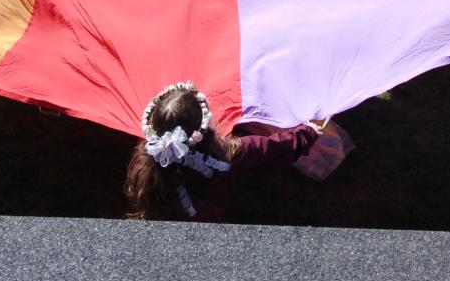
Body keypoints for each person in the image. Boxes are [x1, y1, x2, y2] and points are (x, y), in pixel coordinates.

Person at [124, 81, 321, 221]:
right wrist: (307, 133)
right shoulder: (230, 155)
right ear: (204, 125)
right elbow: (275, 148)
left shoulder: (144, 164)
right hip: (213, 226)